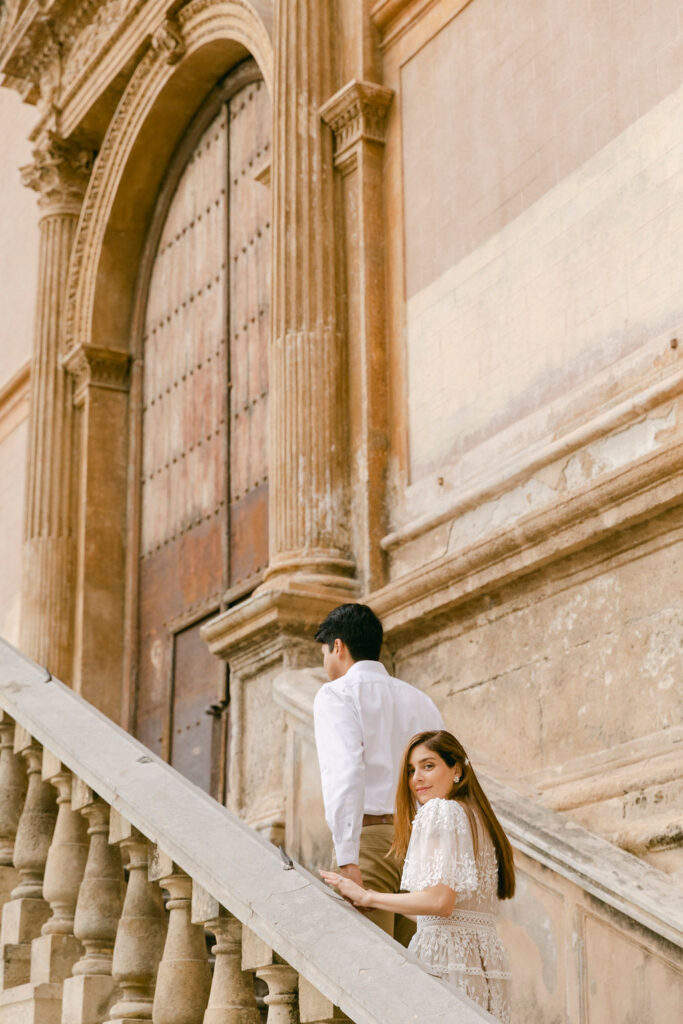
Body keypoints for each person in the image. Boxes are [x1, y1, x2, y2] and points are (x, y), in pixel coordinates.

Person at [321, 730, 514, 1024]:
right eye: (411, 770)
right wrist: (387, 904)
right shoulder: (480, 819)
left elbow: (441, 902)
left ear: (457, 770)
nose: (416, 779)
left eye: (428, 766)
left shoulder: (441, 811)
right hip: (485, 963)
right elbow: (454, 911)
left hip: (448, 960)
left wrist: (368, 895)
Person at [313, 603, 444, 943]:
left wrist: (347, 858)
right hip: (420, 843)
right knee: (415, 973)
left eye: (324, 652)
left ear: (338, 646)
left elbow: (346, 771)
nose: (325, 662)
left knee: (368, 971)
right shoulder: (421, 701)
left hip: (369, 843)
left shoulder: (337, 694)